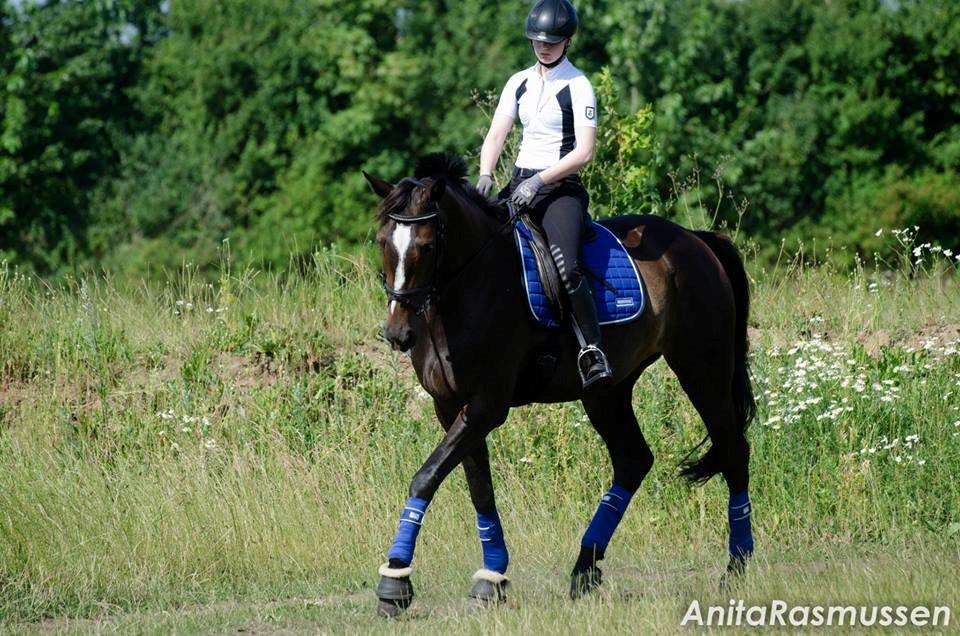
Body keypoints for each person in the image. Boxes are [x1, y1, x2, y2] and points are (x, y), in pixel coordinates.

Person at [476, 0, 611, 389]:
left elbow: (584, 152)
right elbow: (497, 133)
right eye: (537, 40)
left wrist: (540, 181)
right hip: (518, 185)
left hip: (559, 189)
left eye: (552, 41)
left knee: (565, 266)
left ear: (567, 41)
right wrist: (486, 175)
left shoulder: (578, 86)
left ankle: (592, 349)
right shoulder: (518, 82)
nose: (544, 46)